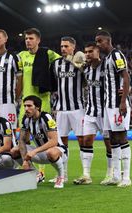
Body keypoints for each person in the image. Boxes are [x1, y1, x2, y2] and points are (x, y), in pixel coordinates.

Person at [18, 28, 61, 179]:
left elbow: (63, 60)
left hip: (42, 101)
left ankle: (44, 172)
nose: (28, 41)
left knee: (44, 138)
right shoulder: (21, 56)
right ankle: (31, 170)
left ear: (38, 40)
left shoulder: (47, 53)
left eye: (31, 38)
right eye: (26, 38)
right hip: (26, 102)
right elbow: (7, 58)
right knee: (23, 138)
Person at [73, 42, 113, 185]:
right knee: (86, 142)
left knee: (109, 144)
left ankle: (110, 173)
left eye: (91, 51)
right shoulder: (87, 70)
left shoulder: (107, 67)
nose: (87, 54)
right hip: (90, 112)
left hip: (105, 113)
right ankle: (86, 175)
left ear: (98, 52)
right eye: (86, 52)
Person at [95, 30, 132, 187]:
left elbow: (125, 76)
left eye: (100, 41)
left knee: (122, 138)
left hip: (117, 104)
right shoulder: (106, 59)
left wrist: (122, 102)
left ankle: (126, 178)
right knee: (113, 140)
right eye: (96, 41)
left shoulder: (116, 55)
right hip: (108, 106)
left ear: (108, 40)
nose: (98, 44)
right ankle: (116, 176)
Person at [49, 36, 85, 183]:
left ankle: (85, 174)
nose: (63, 48)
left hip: (78, 108)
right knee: (61, 143)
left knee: (82, 141)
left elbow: (86, 77)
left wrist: (77, 60)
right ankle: (63, 174)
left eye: (66, 46)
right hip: (61, 109)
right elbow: (53, 85)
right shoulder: (56, 64)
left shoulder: (80, 61)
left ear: (73, 47)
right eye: (62, 46)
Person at [11, 95, 66, 189]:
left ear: (37, 107)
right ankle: (36, 175)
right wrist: (25, 160)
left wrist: (34, 151)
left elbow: (54, 141)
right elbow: (22, 140)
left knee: (51, 152)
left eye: (29, 106)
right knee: (15, 151)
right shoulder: (26, 119)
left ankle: (60, 176)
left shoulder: (47, 117)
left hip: (58, 151)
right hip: (40, 152)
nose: (26, 109)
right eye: (24, 106)